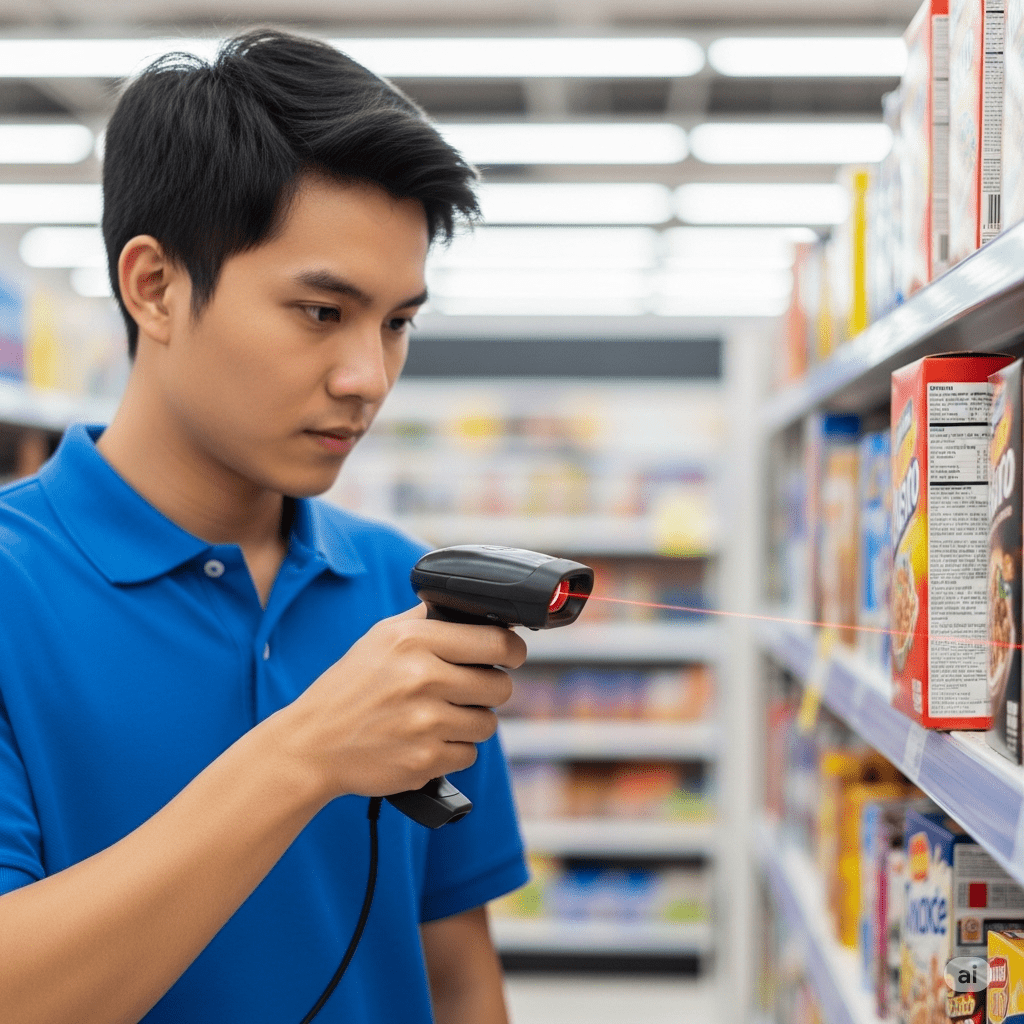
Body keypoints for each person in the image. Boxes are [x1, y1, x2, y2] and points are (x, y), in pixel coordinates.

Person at [0, 29, 529, 1024]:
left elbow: (454, 971)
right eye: (322, 312)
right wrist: (309, 752)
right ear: (154, 286)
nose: (367, 376)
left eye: (397, 321)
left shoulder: (406, 593)